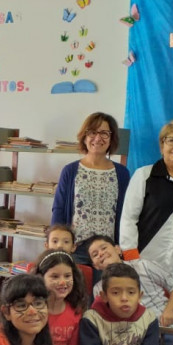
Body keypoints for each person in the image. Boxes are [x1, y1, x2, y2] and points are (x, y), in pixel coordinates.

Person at [119, 120, 173, 288]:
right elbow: (129, 218)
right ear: (162, 145)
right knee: (142, 313)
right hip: (143, 263)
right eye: (171, 140)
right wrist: (132, 258)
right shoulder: (144, 175)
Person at [88, 235, 173, 345]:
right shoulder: (99, 289)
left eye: (104, 248)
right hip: (133, 339)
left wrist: (170, 310)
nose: (101, 253)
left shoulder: (143, 265)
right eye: (95, 254)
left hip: (166, 328)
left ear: (117, 249)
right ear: (95, 265)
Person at [51, 112, 131, 267]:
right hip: (75, 248)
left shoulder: (122, 173)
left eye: (104, 133)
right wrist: (58, 246)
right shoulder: (70, 170)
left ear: (111, 138)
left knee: (104, 290)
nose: (98, 138)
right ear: (84, 136)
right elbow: (58, 209)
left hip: (107, 250)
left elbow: (127, 214)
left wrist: (122, 246)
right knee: (76, 290)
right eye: (92, 132)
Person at [33, 249, 87, 345]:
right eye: (55, 276)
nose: (63, 282)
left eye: (67, 276)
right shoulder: (32, 311)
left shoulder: (76, 311)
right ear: (40, 278)